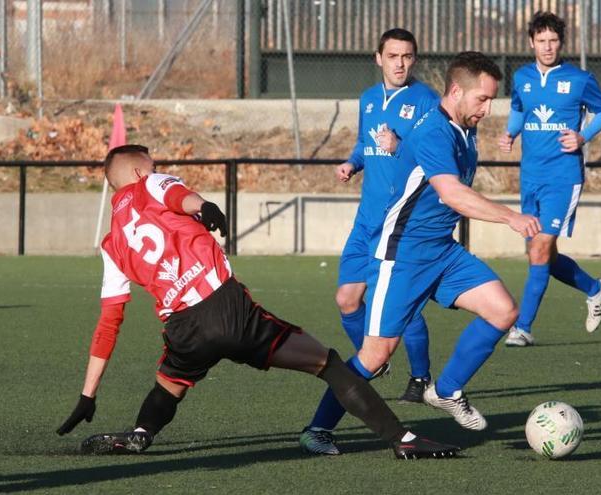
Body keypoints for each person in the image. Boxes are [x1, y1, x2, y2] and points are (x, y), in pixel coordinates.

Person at [55, 145, 459, 460]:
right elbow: (179, 195)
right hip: (225, 308)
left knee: (171, 382)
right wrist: (205, 207)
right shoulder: (150, 182)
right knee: (327, 363)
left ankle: (142, 434)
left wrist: (88, 395)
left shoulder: (110, 244)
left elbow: (110, 322)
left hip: (183, 329)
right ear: (141, 170)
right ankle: (403, 439)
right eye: (153, 164)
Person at [303, 51, 540, 450]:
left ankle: (445, 390)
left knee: (503, 310)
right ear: (455, 91)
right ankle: (317, 429)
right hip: (402, 254)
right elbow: (451, 194)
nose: (487, 108)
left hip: (442, 252)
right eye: (482, 99)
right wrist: (509, 217)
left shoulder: (466, 129)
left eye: (491, 100)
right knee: (375, 356)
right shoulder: (433, 131)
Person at [300, 28, 441, 456]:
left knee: (396, 308)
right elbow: (366, 143)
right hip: (366, 223)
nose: (401, 63)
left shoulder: (427, 102)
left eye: (408, 56)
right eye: (393, 55)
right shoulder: (367, 98)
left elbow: (430, 158)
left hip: (399, 226)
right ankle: (374, 362)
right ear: (377, 57)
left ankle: (415, 374)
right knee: (347, 300)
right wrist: (352, 162)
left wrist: (402, 147)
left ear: (415, 60)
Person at [498, 11, 601, 347]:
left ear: (561, 43)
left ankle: (522, 327)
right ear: (531, 42)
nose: (548, 47)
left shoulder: (579, 79)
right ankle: (596, 289)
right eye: (542, 40)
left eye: (554, 40)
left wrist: (582, 136)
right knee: (539, 253)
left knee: (541, 249)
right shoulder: (521, 77)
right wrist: (510, 133)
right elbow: (520, 109)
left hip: (563, 176)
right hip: (530, 175)